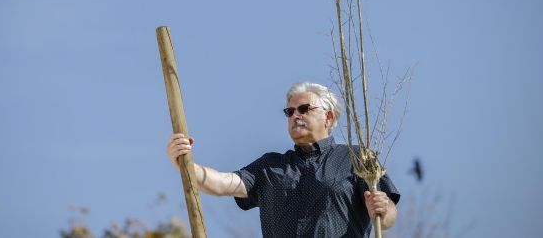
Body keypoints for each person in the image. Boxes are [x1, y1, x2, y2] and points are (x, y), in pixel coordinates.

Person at [166, 82, 400, 237]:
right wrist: (185, 164)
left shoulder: (356, 157)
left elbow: (387, 216)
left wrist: (383, 208)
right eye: (290, 112)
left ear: (328, 117)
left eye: (304, 109)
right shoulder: (270, 166)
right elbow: (223, 184)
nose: (295, 115)